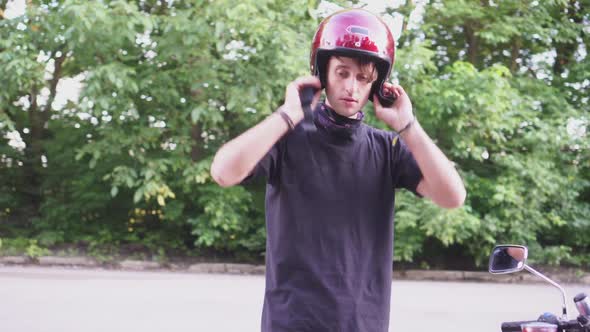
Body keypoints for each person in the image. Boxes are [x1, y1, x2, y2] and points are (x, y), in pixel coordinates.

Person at [210, 8, 466, 332]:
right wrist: (288, 114)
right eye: (342, 73)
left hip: (364, 324)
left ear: (377, 85)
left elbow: (453, 196)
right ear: (322, 72)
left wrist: (408, 126)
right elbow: (222, 172)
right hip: (291, 324)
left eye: (363, 78)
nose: (351, 87)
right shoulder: (286, 139)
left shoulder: (387, 149)